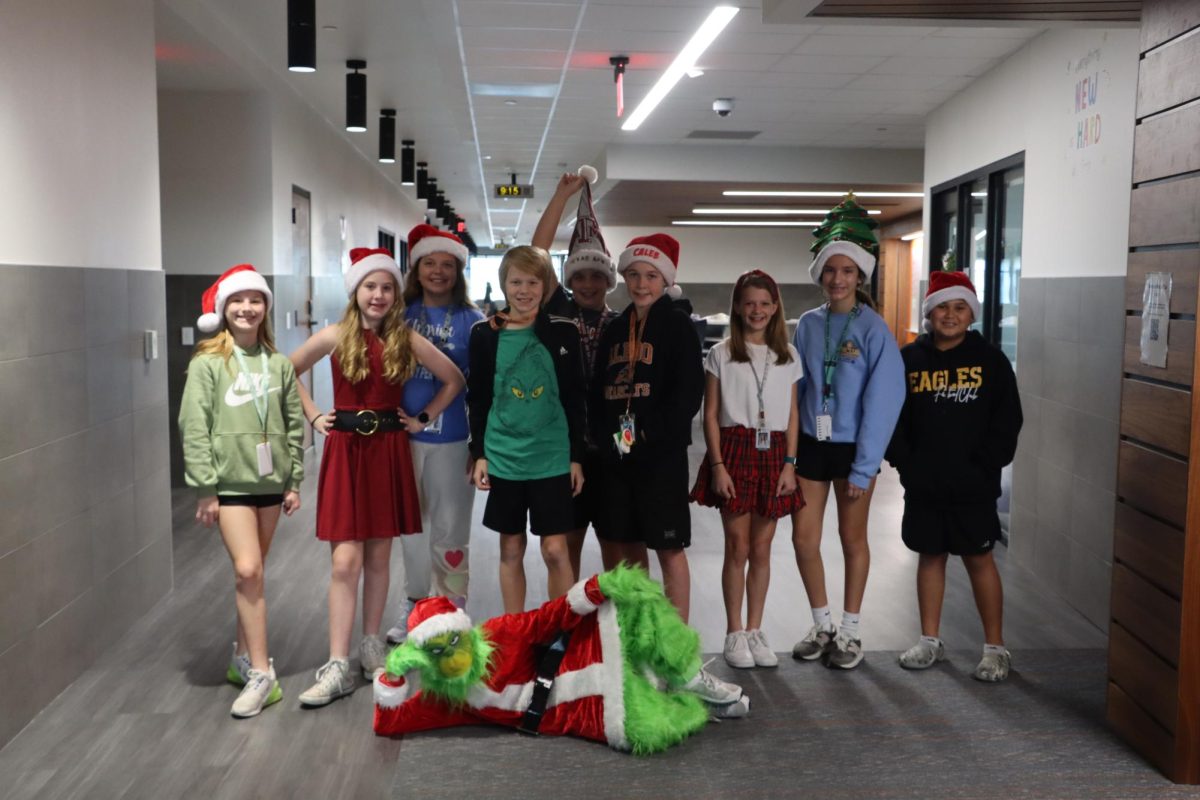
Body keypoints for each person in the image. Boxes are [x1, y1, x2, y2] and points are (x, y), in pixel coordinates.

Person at [290, 247, 465, 707]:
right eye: (371, 286)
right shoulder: (332, 335)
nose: (379, 295)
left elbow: (453, 379)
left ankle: (371, 647)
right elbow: (287, 372)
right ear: (356, 291)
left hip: (388, 448)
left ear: (395, 294)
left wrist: (423, 417)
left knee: (379, 560)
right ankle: (336, 663)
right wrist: (313, 416)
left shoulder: (405, 338)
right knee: (345, 562)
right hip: (347, 451)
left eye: (387, 287)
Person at [373, 565, 749, 754]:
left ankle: (688, 676)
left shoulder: (500, 632)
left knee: (637, 596)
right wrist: (392, 673)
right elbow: (388, 723)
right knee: (648, 731)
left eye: (454, 641)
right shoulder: (447, 698)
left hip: (588, 649)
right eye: (437, 652)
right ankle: (685, 697)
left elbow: (547, 618)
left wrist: (593, 589)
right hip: (590, 710)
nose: (452, 656)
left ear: (465, 631)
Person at [178, 264, 304, 718]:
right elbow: (193, 427)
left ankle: (241, 657)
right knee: (249, 571)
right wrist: (206, 489)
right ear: (223, 308)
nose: (246, 308)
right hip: (229, 486)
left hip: (271, 485)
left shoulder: (280, 364)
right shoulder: (208, 363)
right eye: (237, 300)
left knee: (252, 576)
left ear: (266, 307)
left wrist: (294, 481)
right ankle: (262, 673)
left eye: (255, 300)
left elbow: (293, 425)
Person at [887, 270, 1022, 682]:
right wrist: (907, 464)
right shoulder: (908, 360)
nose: (950, 315)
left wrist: (985, 464)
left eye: (959, 307)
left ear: (971, 314)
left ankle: (995, 649)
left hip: (973, 486)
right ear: (929, 312)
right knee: (930, 556)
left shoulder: (991, 361)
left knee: (979, 558)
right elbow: (892, 418)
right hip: (925, 483)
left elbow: (1008, 420)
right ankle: (930, 641)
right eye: (942, 306)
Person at [790, 195, 905, 670]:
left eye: (848, 272)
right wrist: (790, 454)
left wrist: (864, 466)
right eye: (830, 271)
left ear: (861, 277)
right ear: (820, 275)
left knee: (851, 538)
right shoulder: (807, 326)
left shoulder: (875, 330)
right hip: (813, 448)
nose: (838, 280)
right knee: (802, 539)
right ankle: (822, 624)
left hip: (854, 451)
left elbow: (885, 401)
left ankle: (852, 632)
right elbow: (797, 392)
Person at [690, 270, 804, 669]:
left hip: (774, 452)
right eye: (749, 303)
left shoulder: (789, 356)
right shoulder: (721, 353)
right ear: (738, 307)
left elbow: (792, 416)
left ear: (775, 309)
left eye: (765, 304)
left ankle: (756, 630)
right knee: (737, 547)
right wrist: (717, 465)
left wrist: (790, 464)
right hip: (735, 448)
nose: (757, 310)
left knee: (762, 549)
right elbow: (710, 413)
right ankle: (734, 631)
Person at [467, 245, 586, 614]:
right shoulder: (485, 334)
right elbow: (480, 398)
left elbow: (574, 397)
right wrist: (479, 454)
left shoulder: (564, 332)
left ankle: (560, 632)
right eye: (515, 281)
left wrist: (576, 457)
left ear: (545, 285)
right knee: (511, 547)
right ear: (503, 283)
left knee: (555, 549)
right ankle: (515, 630)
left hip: (551, 456)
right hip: (504, 456)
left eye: (532, 282)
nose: (523, 290)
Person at [592, 233, 704, 621]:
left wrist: (648, 433)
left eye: (651, 276)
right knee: (628, 543)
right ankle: (641, 630)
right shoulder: (615, 327)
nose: (641, 284)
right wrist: (606, 439)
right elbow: (597, 389)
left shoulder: (679, 325)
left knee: (669, 548)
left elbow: (688, 394)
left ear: (666, 280)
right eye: (634, 275)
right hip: (619, 456)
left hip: (661, 459)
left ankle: (676, 642)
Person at [384, 225, 484, 644]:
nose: (438, 271)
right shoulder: (396, 317)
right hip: (401, 439)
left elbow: (479, 388)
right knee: (411, 527)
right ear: (416, 268)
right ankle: (414, 602)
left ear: (458, 271)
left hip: (453, 439)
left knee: (450, 527)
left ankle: (451, 608)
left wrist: (481, 448)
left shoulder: (474, 321)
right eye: (430, 263)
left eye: (447, 264)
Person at [532, 167, 621, 576]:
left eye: (596, 276)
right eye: (579, 275)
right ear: (568, 279)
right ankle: (568, 625)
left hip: (613, 453)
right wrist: (562, 198)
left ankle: (611, 628)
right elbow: (536, 255)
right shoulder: (558, 312)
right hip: (565, 451)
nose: (587, 284)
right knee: (565, 547)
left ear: (608, 280)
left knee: (615, 546)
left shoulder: (623, 324)